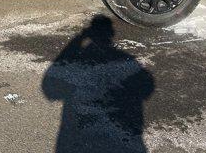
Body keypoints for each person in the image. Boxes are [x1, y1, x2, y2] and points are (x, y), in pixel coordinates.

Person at [42, 14, 154, 152]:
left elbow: (50, 89)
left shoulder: (82, 59)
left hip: (81, 135)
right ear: (112, 33)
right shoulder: (126, 59)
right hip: (121, 134)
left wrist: (80, 38)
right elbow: (147, 86)